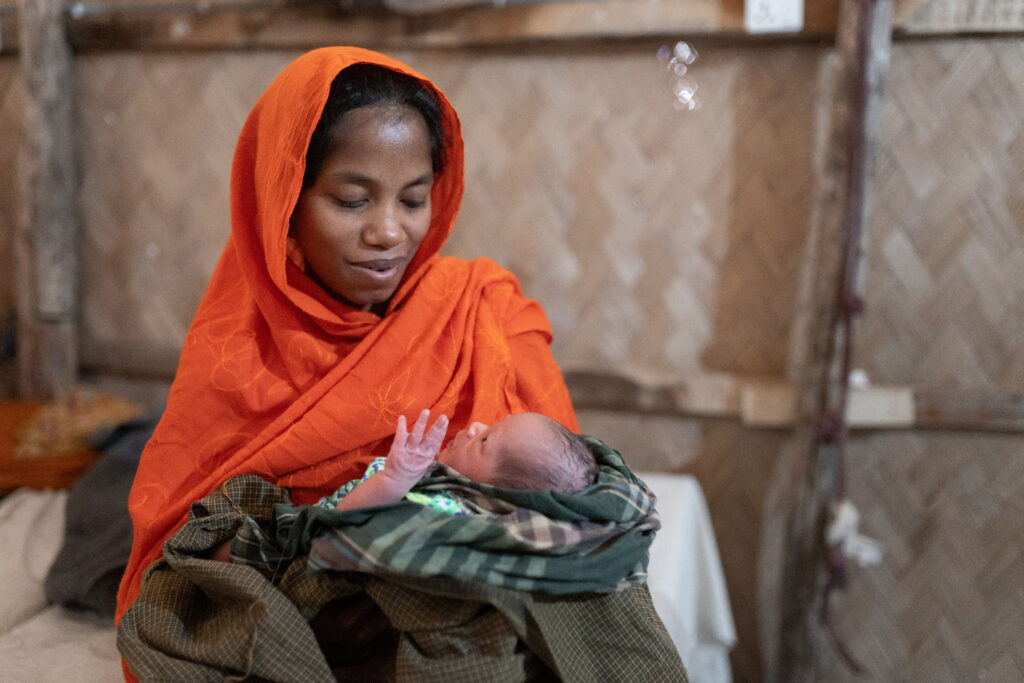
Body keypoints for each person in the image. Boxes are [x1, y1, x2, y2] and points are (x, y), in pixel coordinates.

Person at [115, 47, 578, 627]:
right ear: (284, 206)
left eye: (413, 200)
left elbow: (562, 499)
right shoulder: (236, 350)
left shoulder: (484, 308)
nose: (389, 232)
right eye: (352, 200)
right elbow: (181, 547)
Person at [320, 409, 597, 514]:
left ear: (492, 492)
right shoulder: (436, 482)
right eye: (492, 424)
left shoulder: (441, 512)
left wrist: (393, 480)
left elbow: (339, 524)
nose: (475, 425)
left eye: (485, 440)